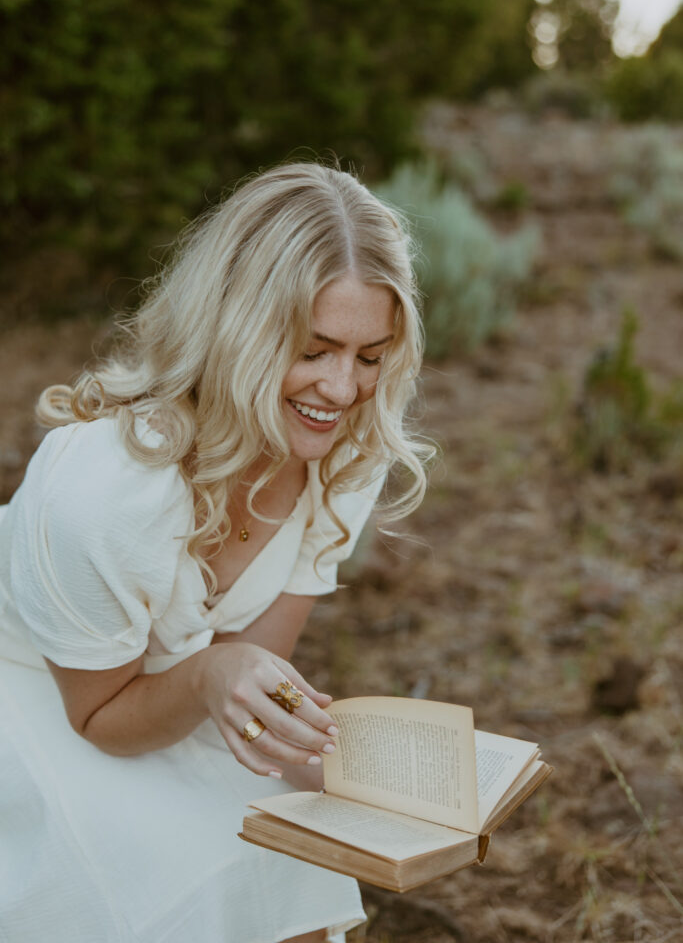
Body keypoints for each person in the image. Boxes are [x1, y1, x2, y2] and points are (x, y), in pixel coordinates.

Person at [0, 162, 431, 943]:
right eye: (314, 349)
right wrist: (208, 677)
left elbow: (245, 674)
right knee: (166, 880)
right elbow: (98, 716)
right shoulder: (105, 491)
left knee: (294, 854)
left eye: (370, 357)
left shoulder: (343, 455)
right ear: (236, 329)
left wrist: (361, 779)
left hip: (159, 697)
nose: (342, 390)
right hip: (38, 697)